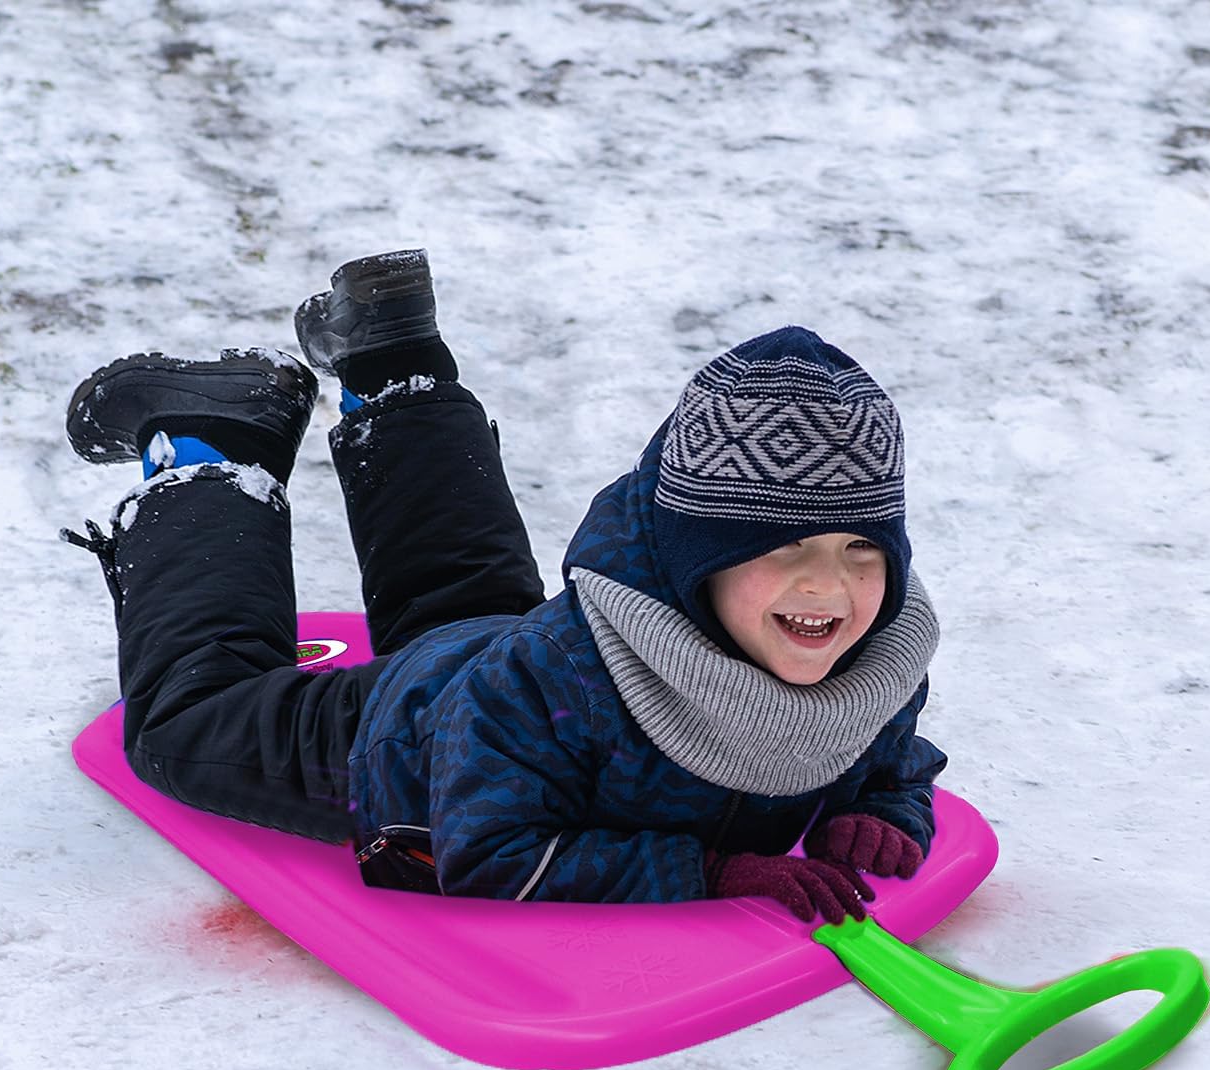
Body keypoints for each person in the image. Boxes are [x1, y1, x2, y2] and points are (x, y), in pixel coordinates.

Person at [63, 249, 946, 925]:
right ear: (691, 561)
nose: (829, 588)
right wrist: (711, 873)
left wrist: (883, 809)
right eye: (783, 552)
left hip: (503, 682)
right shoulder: (561, 685)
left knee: (466, 599)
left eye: (861, 552)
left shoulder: (874, 654)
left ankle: (393, 364)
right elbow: (480, 847)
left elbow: (891, 749)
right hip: (405, 742)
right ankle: (215, 442)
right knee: (184, 725)